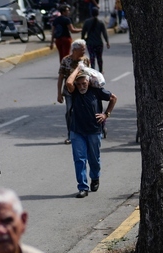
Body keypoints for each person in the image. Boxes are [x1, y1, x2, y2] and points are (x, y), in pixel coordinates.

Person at [66, 64, 116, 198]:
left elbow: (113, 98)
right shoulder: (74, 92)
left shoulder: (96, 92)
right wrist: (78, 68)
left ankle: (95, 177)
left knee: (94, 158)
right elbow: (68, 82)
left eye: (84, 83)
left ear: (88, 82)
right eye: (80, 84)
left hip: (94, 131)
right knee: (79, 159)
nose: (82, 86)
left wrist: (106, 114)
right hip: (77, 131)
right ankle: (83, 187)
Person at [58, 40, 91, 144]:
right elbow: (60, 77)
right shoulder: (66, 60)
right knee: (70, 112)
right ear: (75, 50)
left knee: (87, 111)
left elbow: (89, 75)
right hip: (69, 92)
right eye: (82, 49)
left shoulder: (85, 60)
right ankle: (70, 135)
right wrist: (59, 93)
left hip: (83, 91)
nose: (84, 51)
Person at [81, 8, 109, 72]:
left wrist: (82, 39)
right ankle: (100, 70)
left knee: (92, 57)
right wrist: (107, 42)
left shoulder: (87, 22)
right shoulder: (101, 22)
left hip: (90, 43)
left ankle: (93, 70)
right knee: (99, 57)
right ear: (98, 13)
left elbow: (83, 32)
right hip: (99, 43)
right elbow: (104, 33)